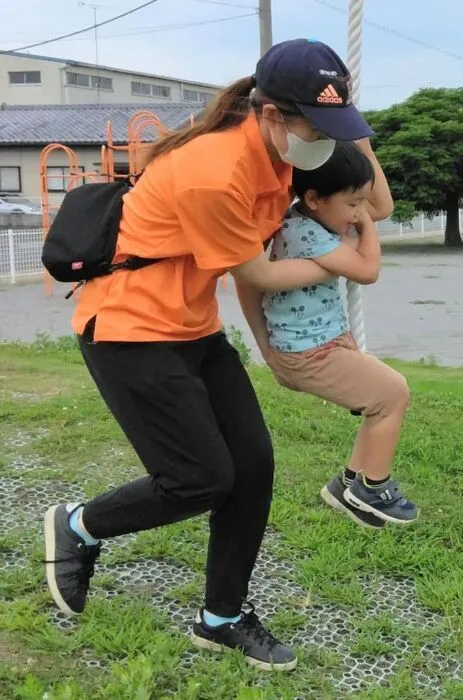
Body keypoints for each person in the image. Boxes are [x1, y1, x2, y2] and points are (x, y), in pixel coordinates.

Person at [43, 38, 393, 672]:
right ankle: (78, 527)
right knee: (200, 478)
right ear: (270, 115)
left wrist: (357, 134)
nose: (325, 141)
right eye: (317, 126)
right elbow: (256, 274)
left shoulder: (284, 154)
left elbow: (377, 205)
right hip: (129, 328)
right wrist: (335, 262)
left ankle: (221, 618)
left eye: (333, 127)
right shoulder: (216, 171)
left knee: (253, 466)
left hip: (191, 326)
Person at [248, 142, 417, 529]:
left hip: (322, 343)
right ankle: (373, 487)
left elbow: (379, 209)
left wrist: (364, 148)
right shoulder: (304, 232)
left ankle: (348, 485)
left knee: (380, 402)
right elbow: (368, 269)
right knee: (393, 394)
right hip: (308, 352)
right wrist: (367, 227)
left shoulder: (315, 223)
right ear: (313, 199)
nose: (360, 212)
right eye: (353, 203)